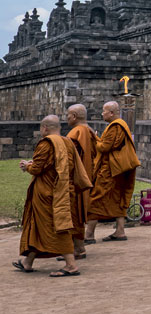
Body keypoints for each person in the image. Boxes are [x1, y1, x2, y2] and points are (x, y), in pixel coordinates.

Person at [13, 115, 90, 277]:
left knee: (56, 227)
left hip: (49, 194)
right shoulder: (67, 142)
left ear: (45, 128)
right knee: (40, 226)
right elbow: (56, 166)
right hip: (64, 190)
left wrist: (27, 166)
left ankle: (71, 265)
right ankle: (28, 262)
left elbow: (38, 169)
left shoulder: (46, 143)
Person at [85, 101, 140, 243]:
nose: (102, 114)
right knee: (117, 198)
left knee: (95, 199)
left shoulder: (116, 126)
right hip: (117, 170)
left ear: (111, 113)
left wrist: (94, 137)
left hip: (110, 171)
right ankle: (120, 231)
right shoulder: (119, 125)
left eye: (104, 111)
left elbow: (104, 147)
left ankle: (89, 234)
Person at [65, 104, 97, 258]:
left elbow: (69, 158)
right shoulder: (89, 131)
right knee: (77, 213)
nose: (67, 118)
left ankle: (79, 249)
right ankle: (77, 248)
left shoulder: (77, 133)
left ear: (75, 116)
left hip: (76, 180)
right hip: (86, 177)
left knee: (75, 214)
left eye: (68, 115)